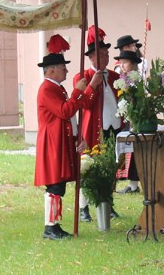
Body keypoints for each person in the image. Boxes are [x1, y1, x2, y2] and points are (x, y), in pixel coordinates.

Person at [35, 35, 93, 240]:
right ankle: (50, 227)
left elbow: (70, 116)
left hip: (60, 141)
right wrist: (77, 92)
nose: (66, 71)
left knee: (58, 184)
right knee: (54, 184)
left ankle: (54, 224)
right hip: (52, 143)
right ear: (51, 70)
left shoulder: (57, 88)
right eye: (62, 67)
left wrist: (78, 136)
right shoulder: (47, 89)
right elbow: (64, 112)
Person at [74, 27, 122, 222]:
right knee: (90, 167)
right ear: (92, 57)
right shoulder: (82, 77)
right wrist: (93, 84)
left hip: (114, 128)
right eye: (102, 54)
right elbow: (83, 103)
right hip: (94, 130)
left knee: (111, 166)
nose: (106, 56)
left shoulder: (114, 76)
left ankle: (107, 203)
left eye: (107, 53)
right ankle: (84, 207)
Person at [112, 50, 143, 194]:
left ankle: (134, 183)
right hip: (126, 117)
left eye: (125, 63)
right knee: (130, 152)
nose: (122, 66)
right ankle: (132, 183)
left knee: (135, 151)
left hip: (134, 119)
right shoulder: (124, 79)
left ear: (133, 64)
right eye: (121, 63)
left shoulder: (135, 80)